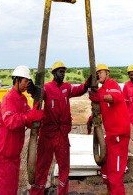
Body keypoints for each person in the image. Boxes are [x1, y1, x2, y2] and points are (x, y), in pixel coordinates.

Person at [30, 61, 92, 195]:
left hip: (62, 134)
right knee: (42, 167)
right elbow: (38, 95)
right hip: (47, 134)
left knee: (64, 168)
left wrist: (86, 85)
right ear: (53, 73)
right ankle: (36, 193)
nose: (62, 74)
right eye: (60, 72)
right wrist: (34, 90)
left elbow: (79, 90)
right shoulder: (46, 88)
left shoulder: (67, 88)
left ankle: (62, 193)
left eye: (64, 72)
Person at [0, 65, 44, 195]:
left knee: (12, 190)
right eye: (25, 81)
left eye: (28, 81)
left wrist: (36, 115)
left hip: (14, 155)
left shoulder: (22, 99)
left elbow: (27, 118)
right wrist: (29, 116)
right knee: (4, 191)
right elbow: (11, 122)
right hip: (2, 156)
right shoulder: (8, 99)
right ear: (17, 80)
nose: (27, 84)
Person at [88, 63, 130, 195]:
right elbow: (99, 108)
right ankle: (109, 191)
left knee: (116, 174)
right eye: (98, 72)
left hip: (120, 136)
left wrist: (99, 97)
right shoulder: (101, 90)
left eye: (101, 72)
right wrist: (90, 119)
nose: (99, 74)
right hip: (110, 136)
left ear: (108, 73)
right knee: (105, 169)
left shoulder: (113, 84)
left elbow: (112, 98)